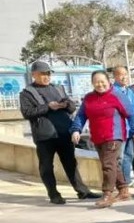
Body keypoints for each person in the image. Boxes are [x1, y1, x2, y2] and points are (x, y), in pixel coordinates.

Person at [18, 60, 99, 204]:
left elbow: (72, 107)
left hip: (64, 132)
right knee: (47, 166)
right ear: (34, 75)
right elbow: (27, 112)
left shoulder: (58, 88)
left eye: (48, 73)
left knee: (71, 164)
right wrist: (47, 107)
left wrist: (66, 104)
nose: (46, 76)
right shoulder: (26, 93)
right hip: (44, 136)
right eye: (43, 74)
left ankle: (83, 191)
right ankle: (54, 194)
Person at [70, 71, 134, 208]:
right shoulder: (89, 98)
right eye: (96, 82)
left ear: (108, 81)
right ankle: (123, 190)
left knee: (108, 165)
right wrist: (76, 129)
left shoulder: (117, 95)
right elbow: (81, 116)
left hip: (114, 136)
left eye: (102, 81)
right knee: (112, 164)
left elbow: (131, 114)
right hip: (97, 137)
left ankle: (107, 194)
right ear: (92, 83)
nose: (100, 84)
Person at [110, 66, 134, 186]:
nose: (124, 77)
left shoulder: (129, 92)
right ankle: (119, 183)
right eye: (120, 74)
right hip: (119, 131)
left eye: (126, 74)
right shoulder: (112, 91)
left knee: (129, 155)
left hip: (130, 130)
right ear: (115, 76)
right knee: (119, 157)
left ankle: (126, 180)